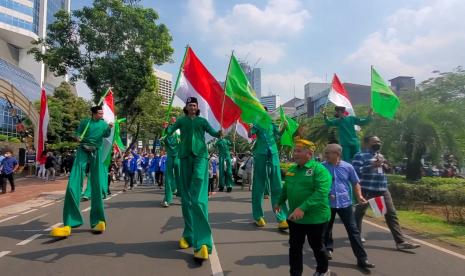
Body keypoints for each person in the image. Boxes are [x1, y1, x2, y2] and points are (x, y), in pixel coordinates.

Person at [163, 96, 222, 261]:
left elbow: (213, 132)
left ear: (197, 107)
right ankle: (188, 235)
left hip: (200, 156)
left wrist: (219, 132)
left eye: (194, 105)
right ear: (186, 107)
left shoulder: (202, 121)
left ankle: (202, 241)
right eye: (189, 105)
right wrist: (166, 129)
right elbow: (170, 131)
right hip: (184, 157)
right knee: (187, 200)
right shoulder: (181, 121)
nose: (192, 107)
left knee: (197, 199)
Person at [50, 105, 113, 237]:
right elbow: (78, 133)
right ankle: (70, 222)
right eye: (100, 113)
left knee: (96, 184)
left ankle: (98, 220)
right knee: (73, 185)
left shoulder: (103, 124)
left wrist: (110, 127)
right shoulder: (85, 122)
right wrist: (78, 137)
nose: (102, 115)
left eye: (102, 113)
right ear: (94, 113)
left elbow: (107, 134)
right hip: (82, 150)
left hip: (96, 151)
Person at [274, 139, 332, 276]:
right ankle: (295, 273)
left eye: (299, 151)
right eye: (295, 150)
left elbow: (321, 193)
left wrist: (303, 208)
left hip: (316, 218)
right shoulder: (292, 169)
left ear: (309, 153)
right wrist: (279, 201)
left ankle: (323, 270)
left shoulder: (320, 170)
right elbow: (286, 188)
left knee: (317, 247)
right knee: (294, 248)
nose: (295, 153)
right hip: (295, 218)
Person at [352, 135, 420, 250]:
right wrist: (371, 165)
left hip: (382, 189)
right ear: (367, 143)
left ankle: (400, 242)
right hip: (367, 189)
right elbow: (355, 172)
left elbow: (386, 169)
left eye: (379, 141)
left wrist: (385, 165)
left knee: (391, 214)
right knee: (359, 213)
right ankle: (356, 235)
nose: (378, 143)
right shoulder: (360, 155)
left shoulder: (380, 156)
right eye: (375, 141)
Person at [322, 144, 375, 270]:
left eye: (328, 152)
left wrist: (359, 196)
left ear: (337, 154)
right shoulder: (321, 167)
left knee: (354, 231)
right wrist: (326, 193)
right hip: (327, 204)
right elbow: (316, 183)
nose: (326, 155)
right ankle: (328, 249)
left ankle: (362, 259)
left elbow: (355, 182)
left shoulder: (348, 167)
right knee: (326, 229)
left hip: (345, 203)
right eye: (326, 152)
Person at [248, 109, 289, 230]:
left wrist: (284, 128)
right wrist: (250, 127)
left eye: (265, 112)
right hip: (260, 155)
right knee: (258, 186)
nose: (263, 114)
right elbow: (251, 135)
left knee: (277, 186)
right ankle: (258, 216)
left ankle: (282, 218)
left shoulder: (272, 124)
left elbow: (277, 136)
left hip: (274, 155)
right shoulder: (256, 124)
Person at [161, 118, 181, 207]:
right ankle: (167, 199)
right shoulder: (166, 137)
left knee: (180, 177)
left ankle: (181, 196)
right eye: (170, 124)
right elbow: (162, 141)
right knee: (168, 177)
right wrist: (164, 130)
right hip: (170, 158)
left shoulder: (180, 134)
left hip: (179, 157)